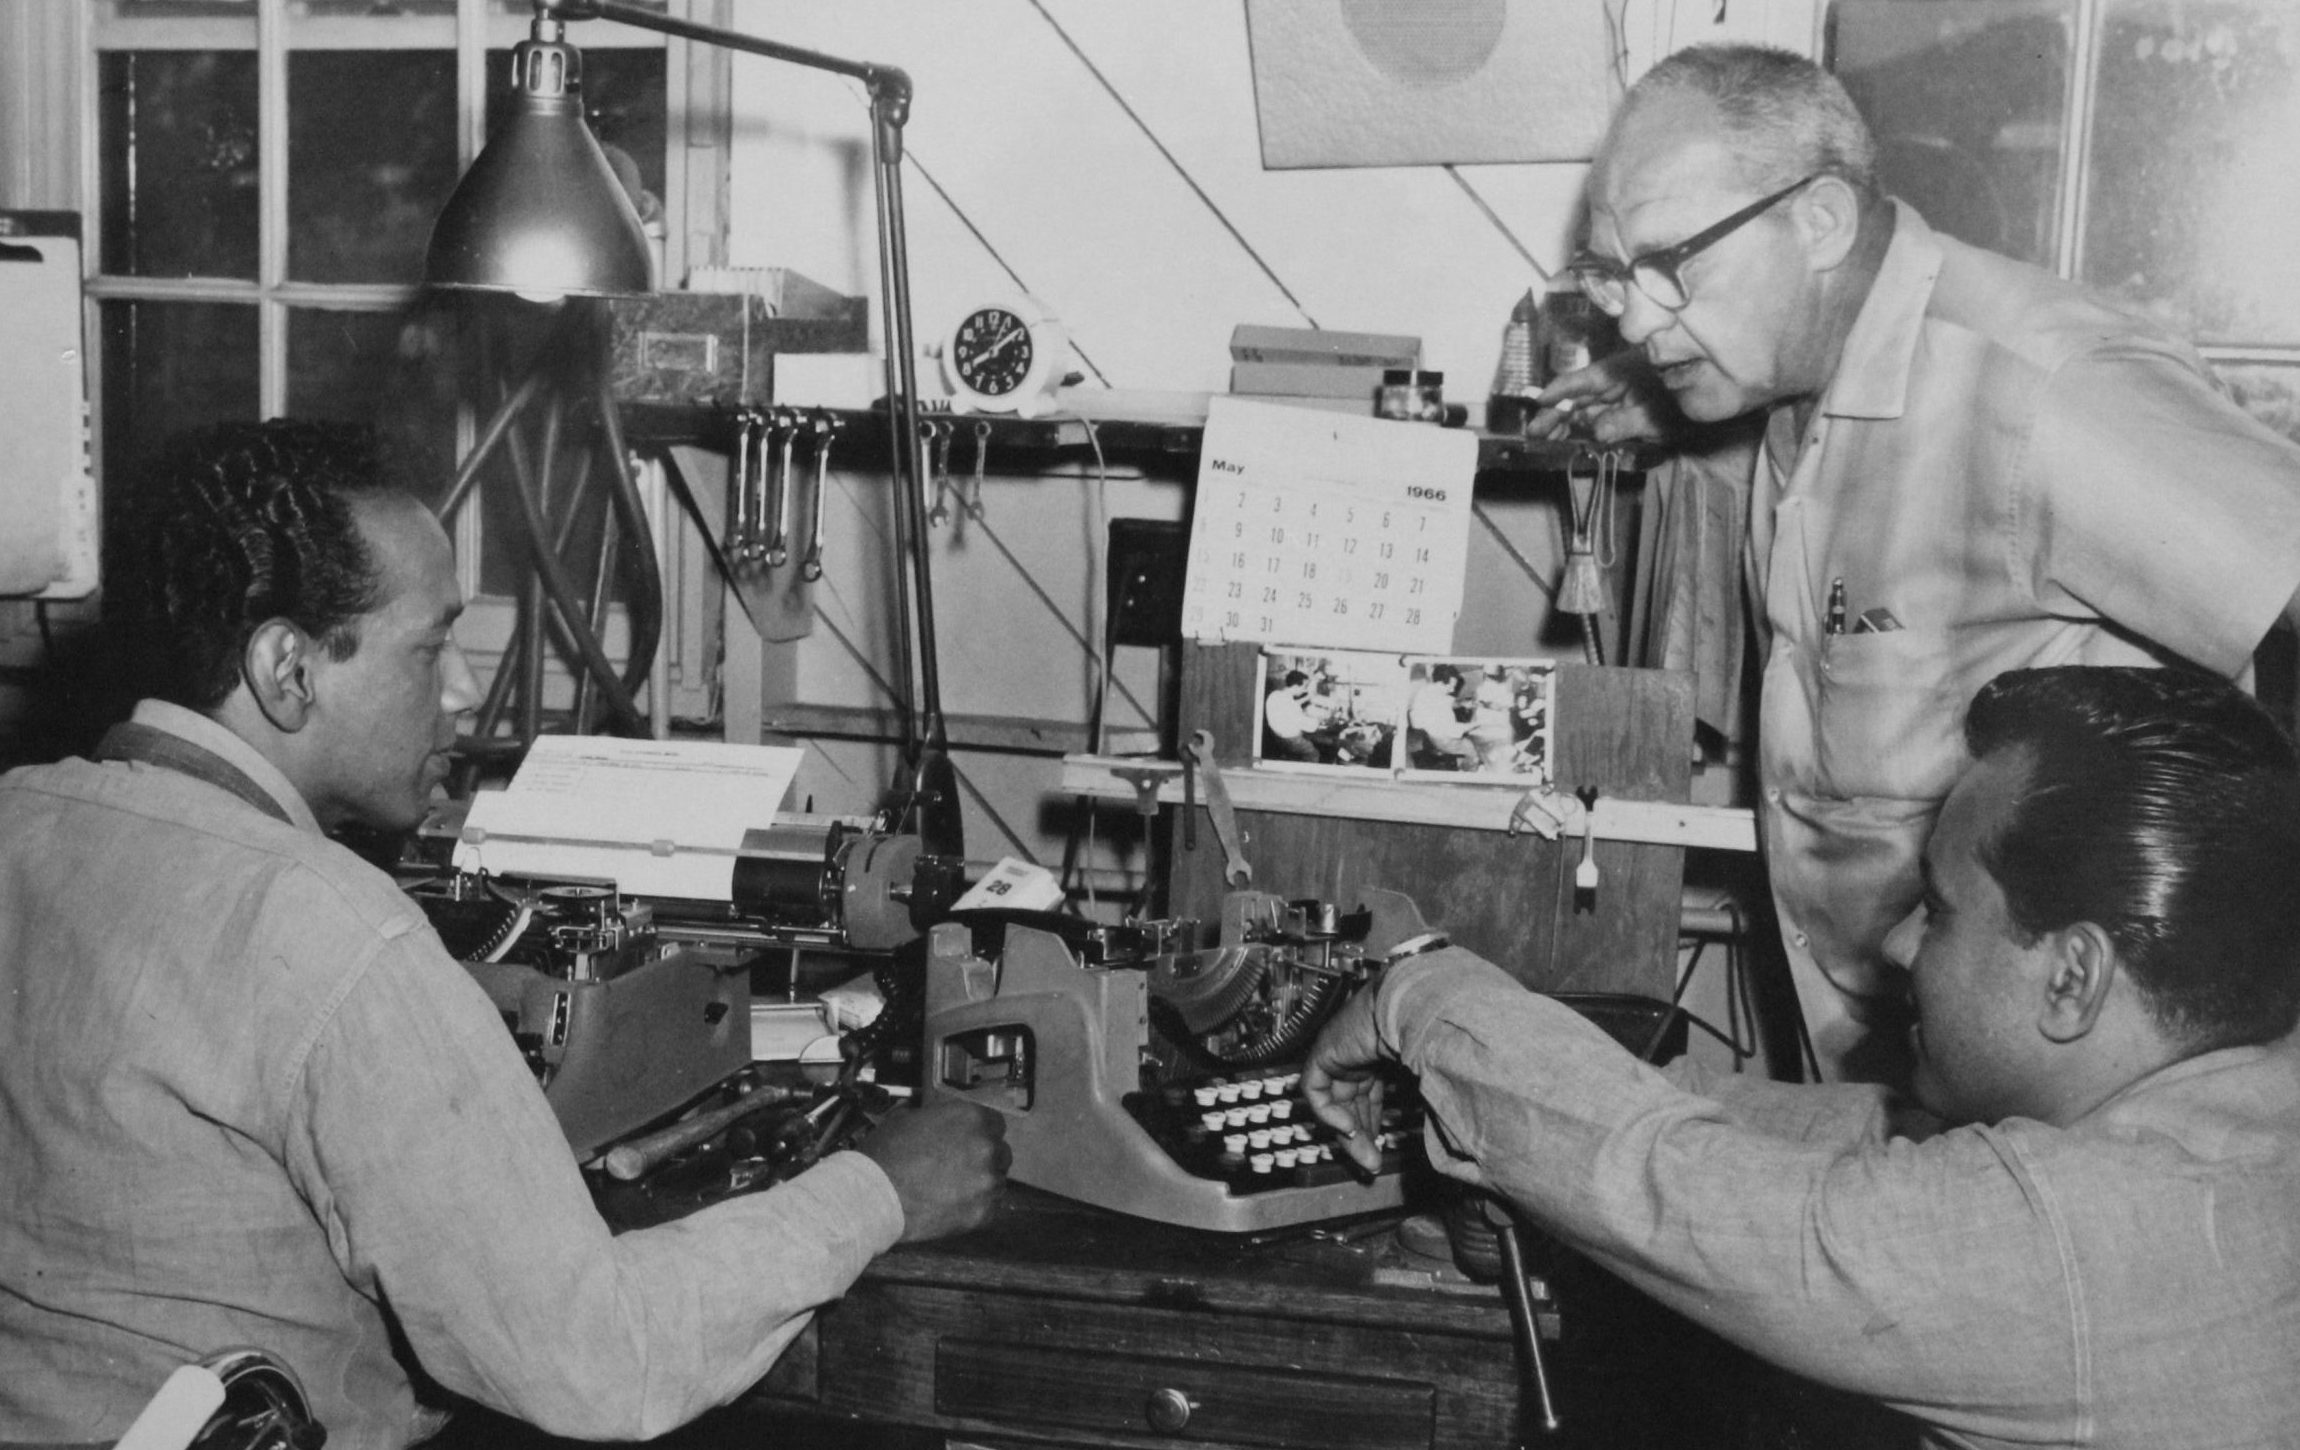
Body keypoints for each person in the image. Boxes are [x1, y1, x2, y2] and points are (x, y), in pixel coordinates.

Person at [0, 421, 1010, 1447]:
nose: (463, 689)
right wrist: (880, 1189)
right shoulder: (337, 933)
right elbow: (601, 1360)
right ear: (286, 669)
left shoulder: (16, 817)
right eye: (430, 646)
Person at [1530, 43, 2300, 1081]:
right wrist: (1664, 383)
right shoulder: (1785, 377)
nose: (1630, 314)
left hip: (2076, 1097)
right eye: (1612, 275)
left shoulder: (2037, 388)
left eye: (1669, 265)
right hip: (1895, 1067)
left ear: (1820, 222)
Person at [1306, 665, 2300, 1448]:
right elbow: (1881, 1140)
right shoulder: (2242, 1122)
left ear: (2072, 977)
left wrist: (1418, 991)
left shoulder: (2073, 1237)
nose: (1897, 945)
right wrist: (1559, 1097)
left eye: (1939, 911)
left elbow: (1695, 1194)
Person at [1403, 662, 1476, 770]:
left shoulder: (1428, 690)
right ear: (1441, 683)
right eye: (1451, 686)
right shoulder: (1438, 709)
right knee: (1471, 748)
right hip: (1443, 741)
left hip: (1431, 735)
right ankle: (1467, 769)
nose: (1452, 690)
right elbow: (1454, 731)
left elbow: (1447, 701)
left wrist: (1462, 703)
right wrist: (1476, 724)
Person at [1263, 668, 1322, 762]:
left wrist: (1307, 698)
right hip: (1290, 740)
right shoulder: (1291, 705)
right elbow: (1311, 728)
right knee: (1314, 753)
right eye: (1304, 687)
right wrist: (1319, 720)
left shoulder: (1276, 695)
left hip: (1277, 737)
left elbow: (1291, 705)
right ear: (1295, 686)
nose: (1305, 690)